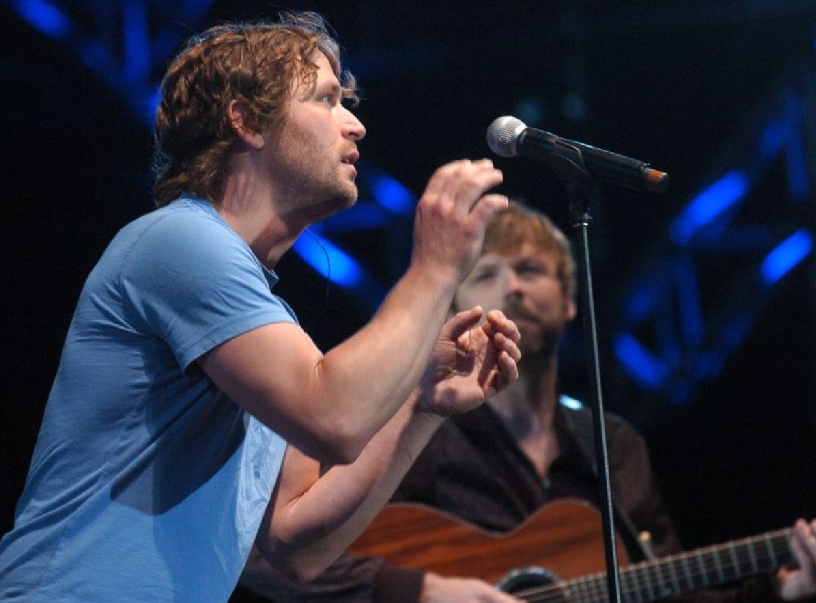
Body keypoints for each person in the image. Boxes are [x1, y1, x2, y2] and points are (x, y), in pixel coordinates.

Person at [0, 12, 524, 602]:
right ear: (246, 120)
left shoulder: (257, 317)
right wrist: (435, 269)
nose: (355, 125)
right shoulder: (180, 241)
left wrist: (421, 404)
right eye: (326, 100)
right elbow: (334, 420)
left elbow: (297, 544)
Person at [234, 202, 816, 603]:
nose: (512, 287)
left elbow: (661, 587)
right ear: (456, 303)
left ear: (569, 300)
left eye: (531, 270)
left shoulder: (612, 446)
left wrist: (781, 588)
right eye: (487, 273)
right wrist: (421, 590)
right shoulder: (410, 429)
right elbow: (274, 556)